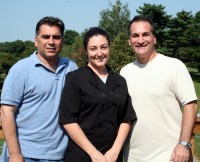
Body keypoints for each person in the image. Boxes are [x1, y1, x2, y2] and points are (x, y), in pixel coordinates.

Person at [120, 15, 198, 162]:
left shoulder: (173, 66)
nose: (141, 40)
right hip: (133, 157)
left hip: (171, 156)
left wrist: (183, 144)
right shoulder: (125, 72)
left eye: (145, 34)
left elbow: (191, 105)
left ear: (154, 38)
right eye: (135, 35)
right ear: (129, 41)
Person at [0, 16, 78, 162]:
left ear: (62, 41)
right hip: (26, 154)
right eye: (45, 37)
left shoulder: (71, 68)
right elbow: (6, 112)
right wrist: (15, 154)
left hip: (60, 155)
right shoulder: (20, 69)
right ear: (36, 41)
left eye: (56, 37)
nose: (51, 42)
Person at [58, 27, 137, 162]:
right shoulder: (75, 78)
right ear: (86, 51)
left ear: (109, 48)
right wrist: (94, 154)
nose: (99, 53)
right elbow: (68, 120)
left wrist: (115, 150)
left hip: (111, 156)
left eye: (103, 47)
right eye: (93, 48)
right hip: (82, 155)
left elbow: (126, 118)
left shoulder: (119, 81)